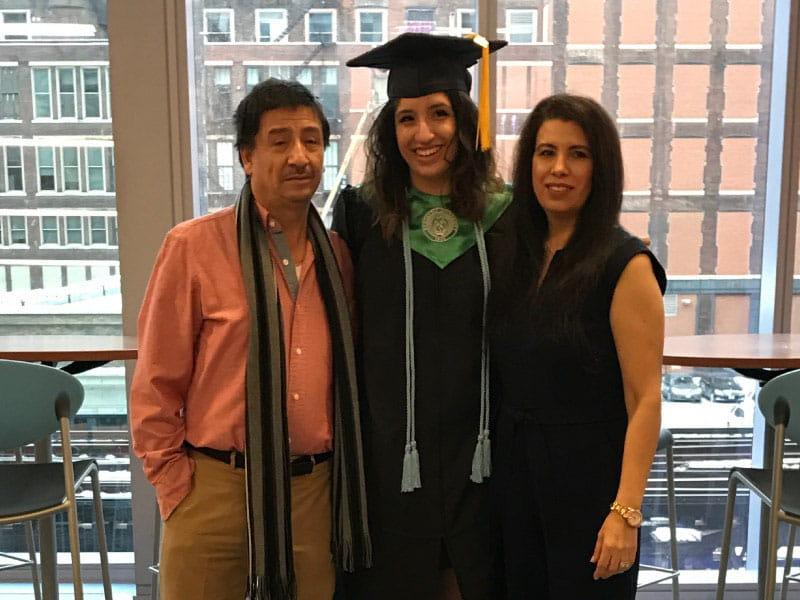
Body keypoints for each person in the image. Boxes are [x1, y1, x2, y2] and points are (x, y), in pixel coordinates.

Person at [130, 78, 370, 600]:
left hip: (311, 493)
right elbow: (155, 382)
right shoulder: (193, 247)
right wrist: (176, 487)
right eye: (279, 141)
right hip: (215, 489)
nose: (299, 156)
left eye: (311, 140)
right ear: (246, 156)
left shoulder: (338, 257)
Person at [333, 33, 512, 600]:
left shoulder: (509, 215)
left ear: (464, 121)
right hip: (389, 450)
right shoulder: (361, 213)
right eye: (406, 118)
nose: (423, 133)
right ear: (391, 130)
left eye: (439, 114)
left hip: (483, 445)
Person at [490, 93, 666, 599]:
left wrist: (625, 513)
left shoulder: (625, 265)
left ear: (600, 168)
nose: (559, 169)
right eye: (546, 153)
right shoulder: (516, 253)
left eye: (578, 154)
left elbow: (645, 398)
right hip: (516, 480)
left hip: (590, 487)